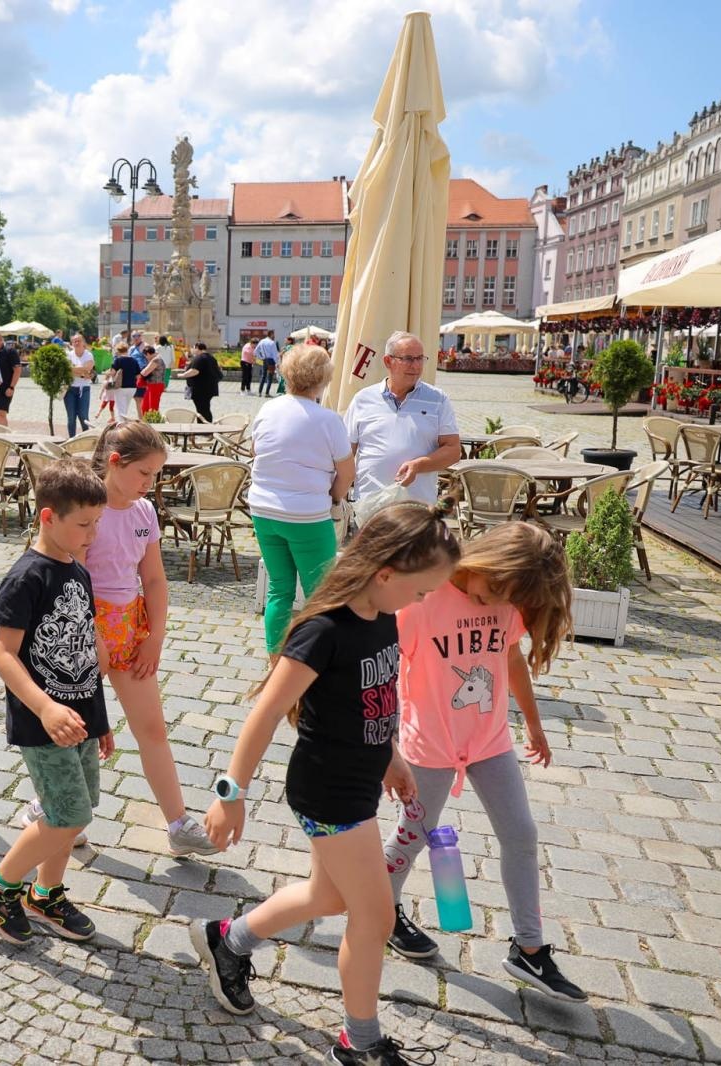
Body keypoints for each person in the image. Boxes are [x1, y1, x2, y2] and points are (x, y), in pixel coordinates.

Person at [189, 502, 459, 1065]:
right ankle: (359, 1044)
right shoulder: (323, 631)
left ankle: (227, 940)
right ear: (386, 573)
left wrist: (391, 756)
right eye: (421, 591)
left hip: (359, 783)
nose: (422, 602)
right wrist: (229, 795)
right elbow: (264, 714)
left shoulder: (383, 615)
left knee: (328, 896)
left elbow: (370, 701)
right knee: (376, 915)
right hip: (328, 792)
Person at [380, 522, 588, 1003]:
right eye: (491, 590)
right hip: (429, 746)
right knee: (410, 839)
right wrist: (388, 749)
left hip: (490, 740)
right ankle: (381, 912)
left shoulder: (508, 599)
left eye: (506, 597)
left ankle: (529, 950)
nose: (493, 603)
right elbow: (385, 675)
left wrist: (533, 724)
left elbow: (509, 657)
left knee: (522, 833)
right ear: (483, 560)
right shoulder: (422, 600)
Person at [26, 423, 218, 855]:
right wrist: (92, 637)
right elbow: (74, 579)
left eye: (155, 475)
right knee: (78, 731)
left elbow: (153, 578)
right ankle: (51, 809)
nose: (150, 484)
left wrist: (155, 638)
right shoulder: (88, 512)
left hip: (131, 627)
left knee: (152, 728)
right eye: (144, 473)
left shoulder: (143, 512)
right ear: (115, 462)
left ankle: (178, 822)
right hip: (82, 631)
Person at [0, 460, 112, 945]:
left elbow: (86, 651)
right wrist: (45, 708)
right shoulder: (27, 576)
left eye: (97, 524)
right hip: (43, 721)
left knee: (76, 809)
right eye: (84, 525)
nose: (92, 534)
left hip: (80, 718)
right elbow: (4, 654)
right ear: (49, 518)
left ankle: (45, 894)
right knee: (68, 812)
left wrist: (100, 719)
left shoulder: (78, 570)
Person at [247, 344, 355, 656]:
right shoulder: (328, 420)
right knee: (320, 594)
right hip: (307, 514)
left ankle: (274, 658)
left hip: (264, 510)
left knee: (279, 589)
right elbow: (347, 473)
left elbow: (258, 451)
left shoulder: (268, 409)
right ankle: (316, 661)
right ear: (324, 378)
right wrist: (334, 497)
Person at [343, 332, 461, 506]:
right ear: (388, 361)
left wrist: (418, 466)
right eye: (408, 359)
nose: (416, 366)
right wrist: (339, 496)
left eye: (420, 358)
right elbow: (345, 452)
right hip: (370, 506)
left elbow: (453, 450)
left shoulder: (438, 399)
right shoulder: (363, 399)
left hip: (417, 508)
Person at [177, 342, 223, 422]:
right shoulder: (211, 357)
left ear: (197, 348)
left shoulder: (200, 358)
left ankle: (203, 427)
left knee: (202, 409)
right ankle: (205, 425)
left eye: (193, 348)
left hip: (200, 389)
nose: (192, 350)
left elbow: (195, 371)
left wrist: (182, 375)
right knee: (205, 408)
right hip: (209, 388)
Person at [63, 333, 94, 437]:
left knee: (83, 416)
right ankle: (71, 440)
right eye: (74, 341)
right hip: (69, 389)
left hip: (84, 389)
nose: (76, 343)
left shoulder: (88, 354)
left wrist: (74, 370)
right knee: (71, 417)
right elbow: (66, 370)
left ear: (83, 342)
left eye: (79, 340)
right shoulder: (68, 355)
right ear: (72, 343)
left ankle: (86, 439)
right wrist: (82, 372)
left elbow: (88, 369)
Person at [0, 330, 22, 426]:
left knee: (0, 413)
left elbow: (17, 370)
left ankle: (3, 438)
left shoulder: (10, 351)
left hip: (5, 389)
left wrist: (12, 387)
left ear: (0, 339)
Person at [107, 343, 140, 424]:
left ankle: (121, 428)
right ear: (127, 350)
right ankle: (124, 426)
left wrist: (107, 373)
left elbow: (112, 373)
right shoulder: (134, 361)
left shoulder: (118, 360)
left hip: (120, 387)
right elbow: (138, 376)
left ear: (118, 351)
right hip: (132, 388)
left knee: (120, 410)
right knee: (125, 409)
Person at [257, 331, 280, 397]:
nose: (274, 336)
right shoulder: (272, 342)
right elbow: (275, 354)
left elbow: (256, 351)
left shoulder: (261, 341)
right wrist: (277, 363)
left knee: (263, 376)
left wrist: (261, 357)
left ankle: (259, 392)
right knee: (269, 377)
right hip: (271, 361)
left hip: (265, 360)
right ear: (271, 334)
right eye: (273, 335)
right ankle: (266, 393)